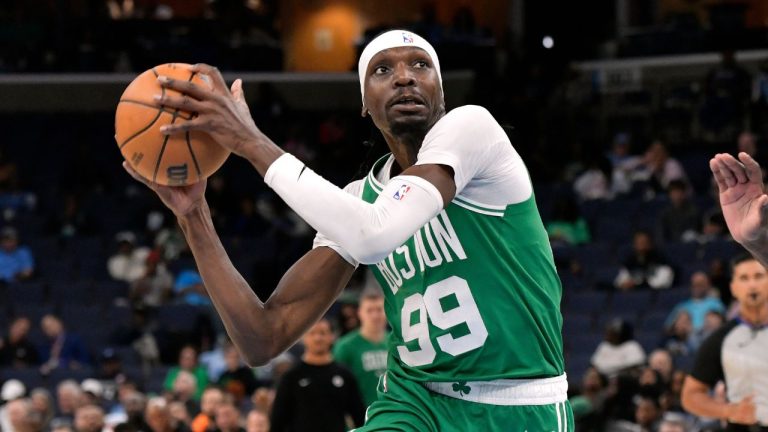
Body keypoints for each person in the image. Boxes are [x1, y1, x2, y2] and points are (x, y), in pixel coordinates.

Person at [125, 28, 571, 431]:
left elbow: (375, 235)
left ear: (441, 91)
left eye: (420, 65)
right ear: (364, 101)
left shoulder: (473, 128)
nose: (404, 77)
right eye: (382, 69)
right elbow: (265, 336)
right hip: (411, 403)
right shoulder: (360, 199)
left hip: (515, 405)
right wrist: (194, 217)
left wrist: (249, 141)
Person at [681, 254, 768, 430]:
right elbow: (690, 396)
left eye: (759, 276)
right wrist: (729, 411)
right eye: (744, 278)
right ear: (733, 287)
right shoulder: (721, 339)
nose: (752, 285)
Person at [270, 318, 365, 432]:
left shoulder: (345, 375)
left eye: (323, 333)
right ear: (303, 337)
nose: (318, 338)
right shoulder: (291, 377)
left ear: (332, 337)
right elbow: (277, 421)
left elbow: (359, 418)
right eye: (312, 333)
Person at [332, 288, 389, 407]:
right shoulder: (345, 346)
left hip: (395, 414)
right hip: (361, 416)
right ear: (360, 313)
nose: (375, 315)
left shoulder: (397, 343)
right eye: (369, 310)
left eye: (379, 310)